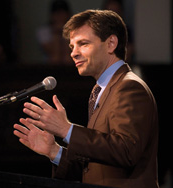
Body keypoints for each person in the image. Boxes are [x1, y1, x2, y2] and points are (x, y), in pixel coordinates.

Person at [13, 9, 159, 188]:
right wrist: (54, 151)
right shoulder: (101, 89)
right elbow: (97, 166)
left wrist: (66, 130)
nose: (73, 53)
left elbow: (126, 151)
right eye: (72, 47)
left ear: (111, 43)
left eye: (83, 44)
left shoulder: (129, 87)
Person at [36, 0, 72, 65]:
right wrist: (56, 33)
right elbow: (54, 56)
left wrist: (65, 32)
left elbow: (69, 55)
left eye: (62, 13)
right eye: (57, 13)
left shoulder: (76, 30)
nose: (60, 16)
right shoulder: (43, 31)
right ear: (52, 15)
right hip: (50, 67)